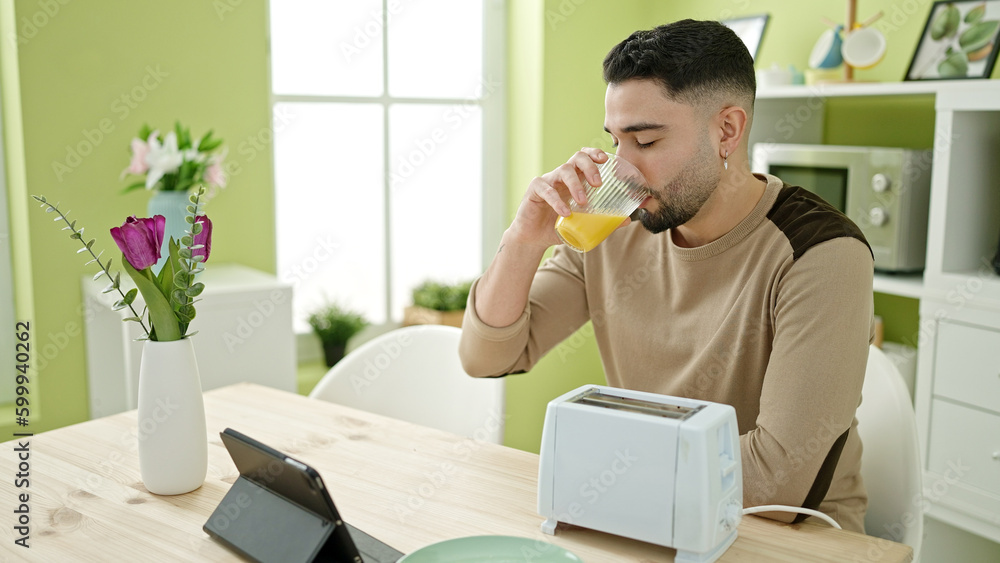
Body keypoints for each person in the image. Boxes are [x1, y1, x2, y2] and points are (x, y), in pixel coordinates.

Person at [458, 19, 875, 533]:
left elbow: (776, 486)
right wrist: (522, 240)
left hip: (782, 535)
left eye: (646, 142)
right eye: (616, 142)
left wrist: (602, 467)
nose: (622, 168)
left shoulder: (821, 252)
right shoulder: (615, 227)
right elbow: (487, 357)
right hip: (647, 511)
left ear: (727, 130)